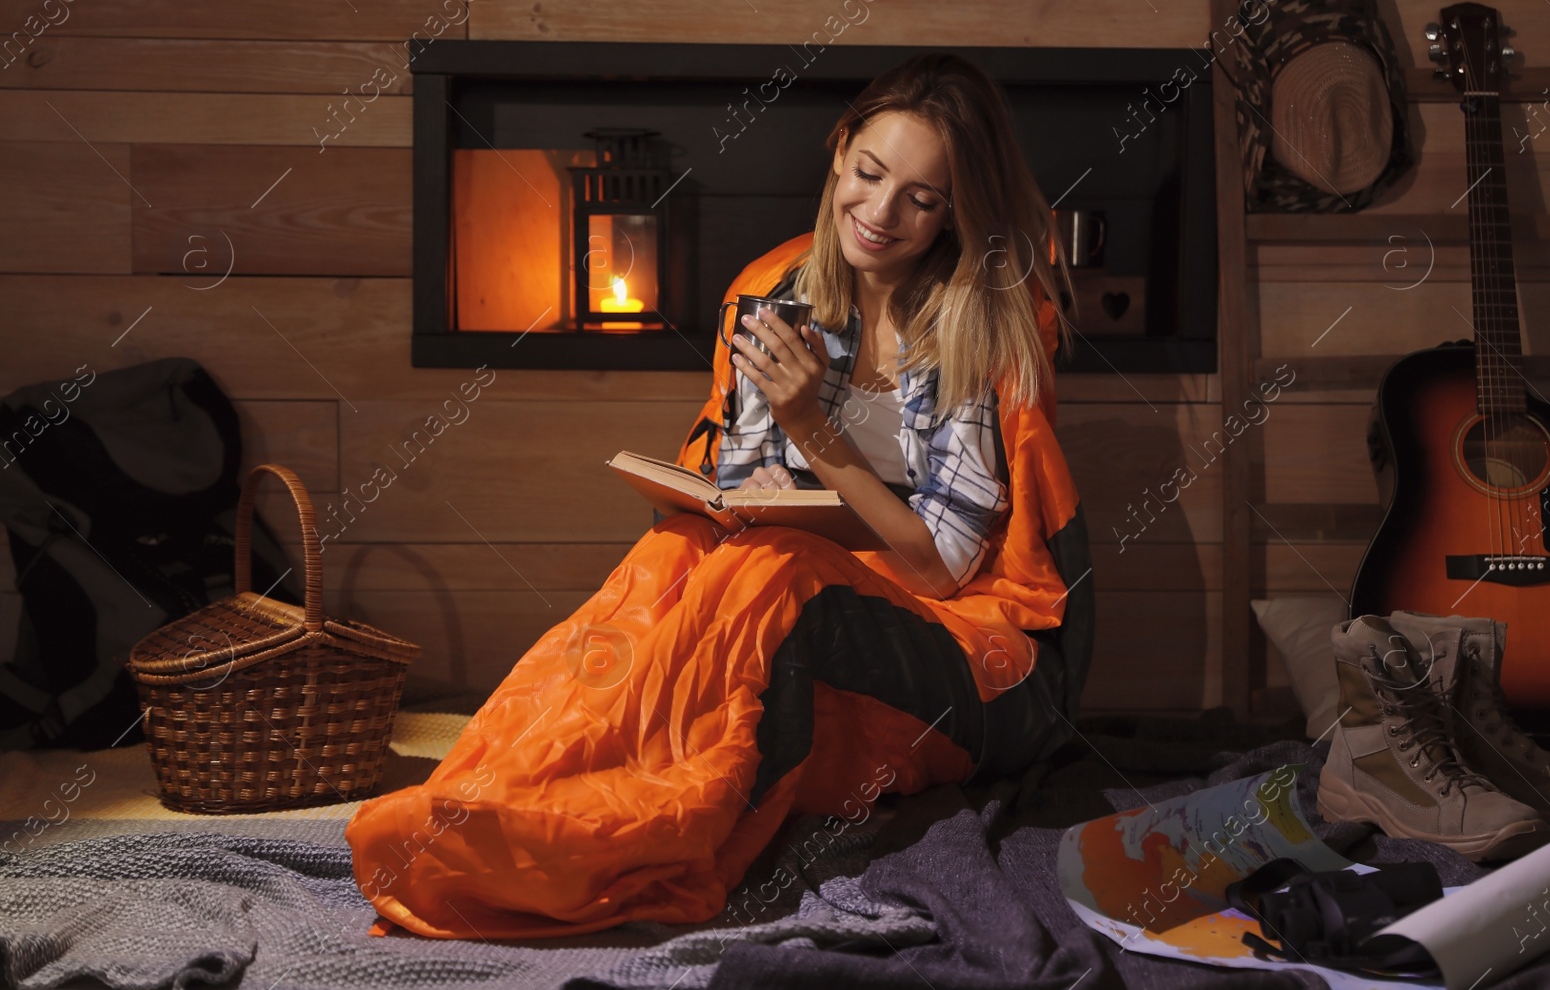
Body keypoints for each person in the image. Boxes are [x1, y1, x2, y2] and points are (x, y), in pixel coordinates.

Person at [345, 52, 1094, 940]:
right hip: (814, 612)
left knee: (775, 568)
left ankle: (658, 837)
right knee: (674, 553)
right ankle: (500, 793)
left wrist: (816, 435)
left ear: (955, 210)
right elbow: (735, 475)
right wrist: (742, 492)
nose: (882, 214)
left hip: (976, 661)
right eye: (869, 174)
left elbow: (941, 571)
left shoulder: (983, 321)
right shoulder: (776, 292)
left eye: (923, 199)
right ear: (840, 149)